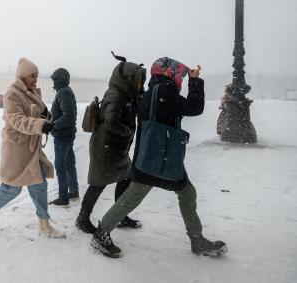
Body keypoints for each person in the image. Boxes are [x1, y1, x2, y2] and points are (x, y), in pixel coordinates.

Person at [91, 57, 228, 258]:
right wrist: (195, 81)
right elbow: (194, 108)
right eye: (178, 74)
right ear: (168, 73)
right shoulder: (163, 92)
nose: (180, 78)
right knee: (183, 192)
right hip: (160, 157)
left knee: (145, 195)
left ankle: (101, 233)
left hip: (152, 156)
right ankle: (196, 239)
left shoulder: (154, 92)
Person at [0, 57, 64, 240]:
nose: (35, 79)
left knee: (40, 184)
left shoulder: (32, 92)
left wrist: (47, 116)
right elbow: (16, 120)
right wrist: (40, 125)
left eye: (37, 75)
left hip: (32, 149)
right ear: (23, 76)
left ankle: (44, 225)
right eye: (32, 76)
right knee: (11, 188)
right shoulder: (12, 94)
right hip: (17, 150)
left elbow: (39, 113)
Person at [75, 53, 146, 234]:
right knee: (99, 183)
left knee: (125, 178)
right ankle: (82, 218)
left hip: (116, 148)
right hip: (105, 148)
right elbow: (110, 122)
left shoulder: (127, 94)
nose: (140, 84)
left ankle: (120, 214)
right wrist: (128, 132)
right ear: (128, 78)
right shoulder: (116, 95)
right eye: (138, 80)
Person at [47, 68, 79, 206]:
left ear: (59, 79)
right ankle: (73, 191)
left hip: (63, 135)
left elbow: (68, 116)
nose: (53, 82)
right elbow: (63, 114)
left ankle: (63, 197)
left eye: (54, 79)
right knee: (69, 163)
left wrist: (53, 126)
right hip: (66, 134)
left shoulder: (63, 92)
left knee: (60, 166)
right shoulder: (65, 91)